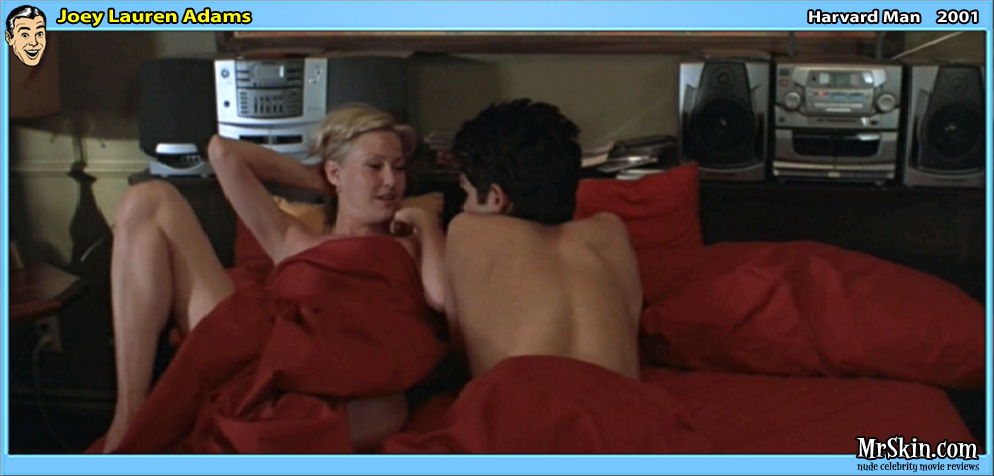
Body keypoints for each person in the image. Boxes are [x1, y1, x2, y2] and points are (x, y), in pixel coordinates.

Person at [102, 104, 445, 453]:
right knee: (147, 199)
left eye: (398, 167)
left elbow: (440, 297)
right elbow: (222, 151)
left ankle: (254, 432)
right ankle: (129, 416)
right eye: (374, 166)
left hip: (342, 371)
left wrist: (427, 224)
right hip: (255, 349)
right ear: (335, 172)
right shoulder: (292, 238)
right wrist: (315, 178)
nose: (391, 180)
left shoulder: (407, 243)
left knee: (388, 412)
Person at [444, 98, 642, 379]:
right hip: (624, 403)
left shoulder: (467, 230)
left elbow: (459, 346)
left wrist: (423, 224)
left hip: (525, 402)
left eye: (466, 193)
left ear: (497, 198)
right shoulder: (612, 231)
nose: (465, 206)